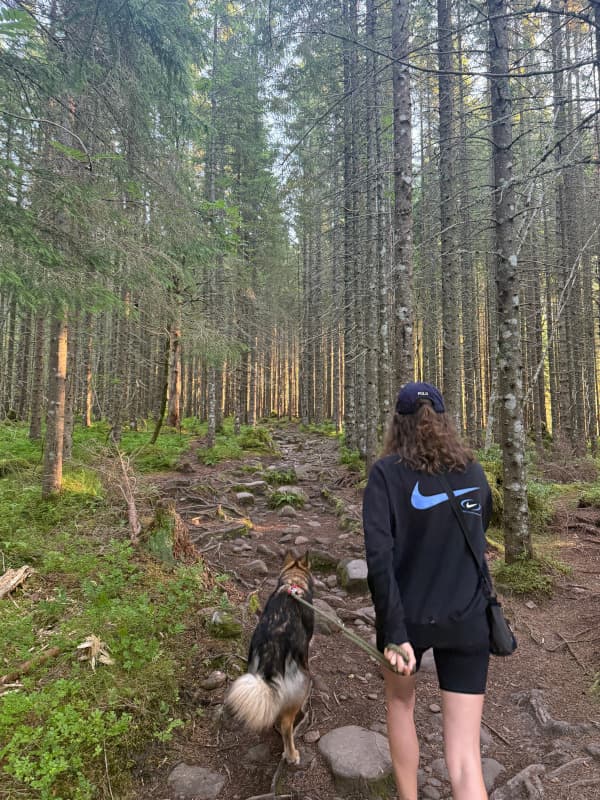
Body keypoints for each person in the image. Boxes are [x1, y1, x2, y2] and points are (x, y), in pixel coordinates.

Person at [363, 381, 493, 800]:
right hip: (468, 619)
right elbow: (481, 533)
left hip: (408, 620)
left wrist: (394, 632)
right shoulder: (473, 472)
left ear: (397, 424)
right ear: (443, 421)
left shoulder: (385, 475)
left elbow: (379, 560)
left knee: (400, 706)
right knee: (466, 758)